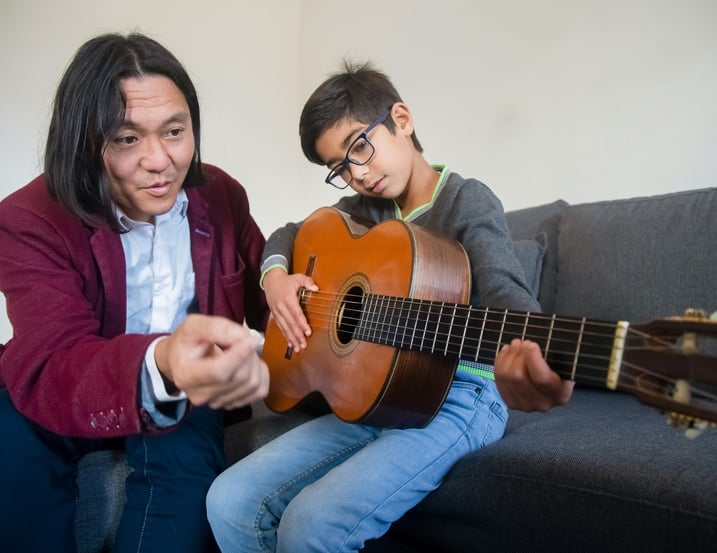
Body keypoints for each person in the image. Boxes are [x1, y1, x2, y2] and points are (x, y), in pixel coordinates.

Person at [206, 61, 574, 553]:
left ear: (402, 119)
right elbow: (290, 233)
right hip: (375, 390)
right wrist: (274, 278)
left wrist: (540, 352)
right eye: (339, 168)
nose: (356, 174)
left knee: (310, 526)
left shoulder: (467, 201)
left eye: (359, 146)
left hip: (461, 393)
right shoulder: (368, 213)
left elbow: (508, 294)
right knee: (228, 499)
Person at [0, 32, 270, 553]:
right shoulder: (28, 218)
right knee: (11, 442)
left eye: (175, 131)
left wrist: (285, 276)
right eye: (127, 139)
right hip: (70, 385)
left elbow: (266, 285)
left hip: (190, 397)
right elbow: (56, 356)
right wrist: (162, 358)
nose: (159, 160)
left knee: (186, 451)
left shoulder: (219, 194)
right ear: (84, 140)